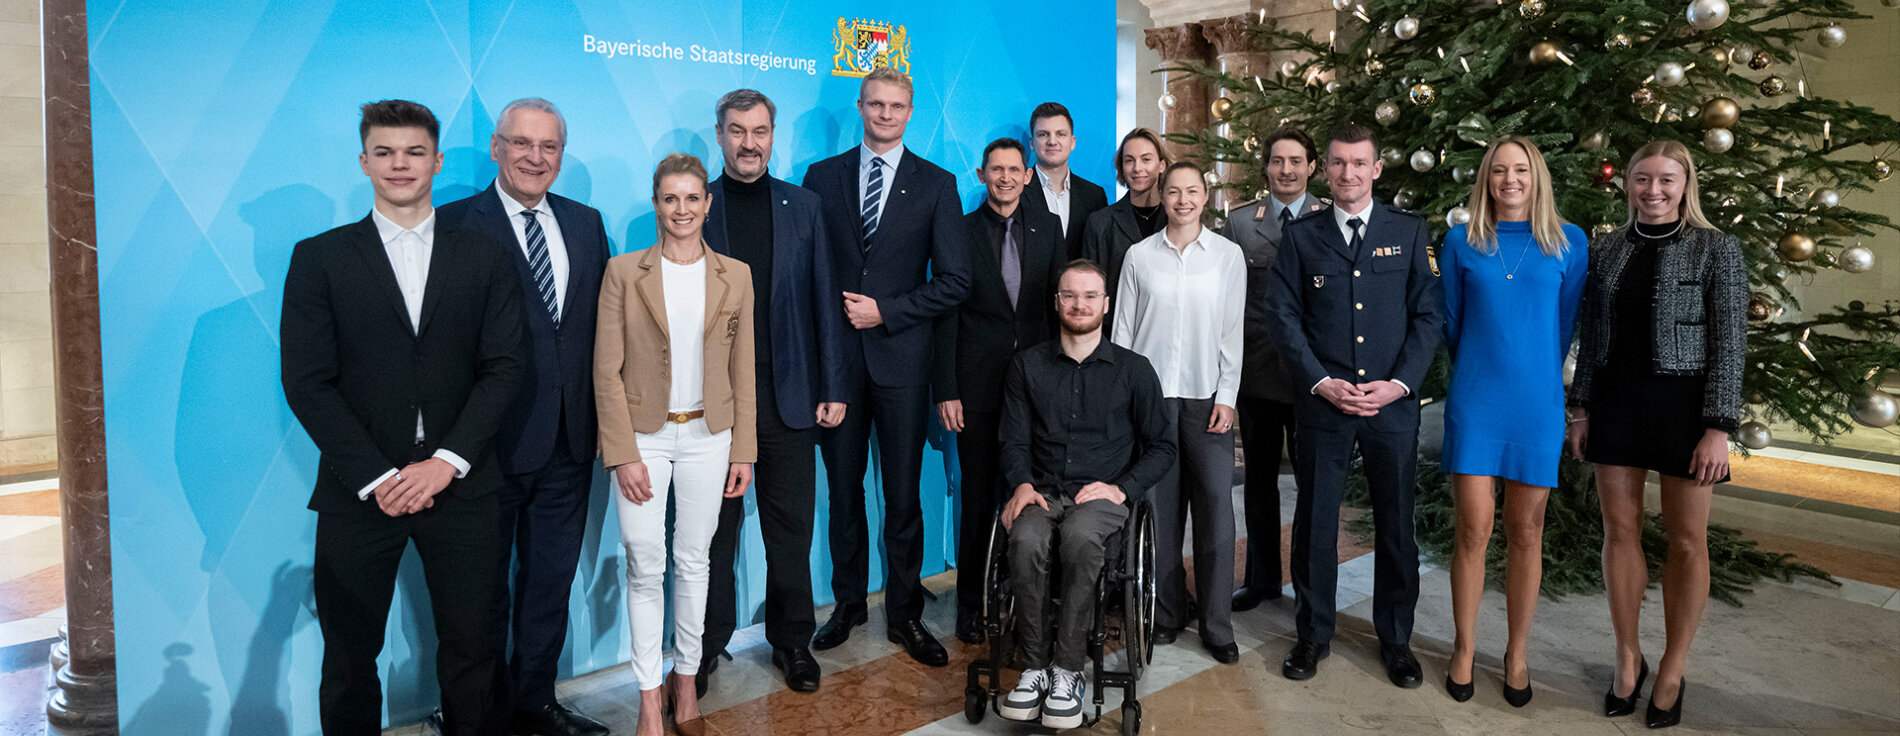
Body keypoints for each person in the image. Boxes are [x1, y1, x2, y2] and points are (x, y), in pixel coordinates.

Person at [280, 99, 526, 736]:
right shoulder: (319, 258)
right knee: (350, 657)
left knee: (474, 649)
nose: (400, 165)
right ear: (363, 162)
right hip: (360, 493)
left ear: (437, 162)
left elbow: (505, 368)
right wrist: (378, 475)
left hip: (464, 487)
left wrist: (444, 464)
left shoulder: (484, 255)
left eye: (414, 152)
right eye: (384, 152)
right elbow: (307, 382)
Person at [433, 97, 611, 736]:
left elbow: (598, 335)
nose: (536, 158)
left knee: (548, 587)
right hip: (482, 447)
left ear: (561, 155)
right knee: (476, 598)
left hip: (569, 443)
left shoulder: (587, 224)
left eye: (550, 147)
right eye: (522, 144)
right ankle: (474, 718)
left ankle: (534, 703)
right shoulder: (451, 223)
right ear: (496, 148)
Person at [1567, 140, 1746, 730]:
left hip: (1686, 408)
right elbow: (1592, 338)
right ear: (1628, 185)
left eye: (1666, 180)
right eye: (1643, 179)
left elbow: (1729, 341)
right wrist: (1582, 408)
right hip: (1617, 401)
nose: (1653, 191)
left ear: (1686, 183)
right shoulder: (1608, 248)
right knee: (1621, 531)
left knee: (1687, 540)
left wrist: (1719, 426)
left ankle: (1672, 668)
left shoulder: (1715, 248)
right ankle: (1627, 659)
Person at [801, 66, 972, 667]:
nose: (885, 114)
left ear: (911, 110)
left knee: (902, 499)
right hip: (839, 370)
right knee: (844, 496)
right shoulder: (820, 178)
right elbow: (810, 273)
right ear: (861, 105)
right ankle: (848, 606)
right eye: (876, 104)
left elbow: (956, 281)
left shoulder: (937, 184)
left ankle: (904, 614)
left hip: (903, 364)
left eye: (896, 105)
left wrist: (888, 312)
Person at [1266, 122, 1443, 688]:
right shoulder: (1302, 236)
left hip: (1391, 405)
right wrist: (1319, 381)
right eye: (1338, 163)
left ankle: (1396, 640)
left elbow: (1429, 316)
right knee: (1316, 523)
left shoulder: (1408, 232)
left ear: (1376, 167)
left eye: (1358, 163)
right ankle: (1313, 634)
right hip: (1324, 405)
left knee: (1395, 524)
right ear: (1327, 170)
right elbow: (1283, 316)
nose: (1347, 173)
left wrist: (1400, 383)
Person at [595, 153, 757, 736]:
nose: (682, 209)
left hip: (709, 437)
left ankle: (685, 688)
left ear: (707, 203)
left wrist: (745, 450)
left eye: (693, 198)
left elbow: (744, 369)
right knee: (644, 564)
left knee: (694, 563)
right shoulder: (622, 272)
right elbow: (605, 371)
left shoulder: (735, 275)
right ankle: (646, 699)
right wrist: (622, 452)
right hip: (643, 437)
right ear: (656, 203)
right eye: (671, 198)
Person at [698, 88, 848, 695]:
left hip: (789, 397)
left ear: (773, 134)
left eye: (759, 130)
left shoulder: (803, 205)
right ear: (720, 135)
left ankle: (791, 641)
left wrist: (833, 383)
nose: (749, 142)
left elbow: (824, 301)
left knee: (790, 531)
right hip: (715, 402)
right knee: (713, 532)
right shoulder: (694, 206)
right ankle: (705, 647)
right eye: (737, 131)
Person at [1437, 136, 1588, 707]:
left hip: (1537, 403)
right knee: (1473, 530)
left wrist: (1536, 374)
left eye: (1520, 169)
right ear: (1486, 179)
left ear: (1536, 176)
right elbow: (1451, 322)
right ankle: (1464, 648)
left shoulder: (1568, 242)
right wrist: (1485, 362)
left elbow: (1565, 322)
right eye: (1499, 170)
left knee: (1526, 532)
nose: (1510, 180)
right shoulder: (1461, 241)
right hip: (1477, 398)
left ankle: (1517, 652)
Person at [995, 260, 1176, 729]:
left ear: (1106, 304)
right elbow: (1012, 440)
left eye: (1090, 296)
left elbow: (1162, 446)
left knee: (1079, 536)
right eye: (1070, 296)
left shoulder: (1134, 371)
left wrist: (1122, 488)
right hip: (1041, 490)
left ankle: (1068, 671)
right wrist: (1021, 485)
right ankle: (1035, 668)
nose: (1080, 304)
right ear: (1057, 303)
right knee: (1026, 539)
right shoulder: (1027, 365)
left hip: (1100, 498)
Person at [1110, 160, 1246, 664]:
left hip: (1208, 399)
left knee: (1215, 510)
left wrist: (1228, 397)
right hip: (1150, 401)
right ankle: (1166, 614)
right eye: (1174, 192)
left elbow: (1232, 332)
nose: (1183, 200)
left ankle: (1216, 624)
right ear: (1161, 196)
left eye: (1192, 191)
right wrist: (1120, 400)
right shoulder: (1139, 257)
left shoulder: (1227, 256)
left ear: (1205, 197)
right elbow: (1121, 334)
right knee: (1159, 514)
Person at [933, 137, 1066, 645]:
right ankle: (972, 603)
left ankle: (1024, 596)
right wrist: (946, 386)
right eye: (996, 169)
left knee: (1030, 495)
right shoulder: (961, 232)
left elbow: (1060, 304)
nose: (1006, 177)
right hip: (977, 389)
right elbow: (947, 312)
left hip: (1036, 388)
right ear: (982, 174)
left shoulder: (1049, 227)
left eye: (1015, 169)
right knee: (977, 498)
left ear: (1028, 175)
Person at [1219, 126, 1327, 613]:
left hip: (1315, 377)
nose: (1287, 170)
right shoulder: (1242, 224)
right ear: (1266, 166)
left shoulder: (1329, 220)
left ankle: (1309, 585)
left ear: (1311, 167)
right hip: (1259, 373)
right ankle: (1261, 579)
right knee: (1259, 483)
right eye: (1278, 161)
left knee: (1313, 485)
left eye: (1296, 161)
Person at [1081, 127, 1171, 327]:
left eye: (1146, 159)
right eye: (1129, 160)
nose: (1137, 168)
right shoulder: (1100, 223)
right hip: (1115, 333)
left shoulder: (1176, 220)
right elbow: (1090, 290)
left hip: (1167, 331)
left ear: (1162, 165)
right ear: (1121, 167)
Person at [1019, 102, 1109, 260]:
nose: (1052, 141)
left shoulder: (1094, 196)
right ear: (1032, 143)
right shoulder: (1017, 192)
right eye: (1043, 134)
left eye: (1060, 134)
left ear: (1072, 142)